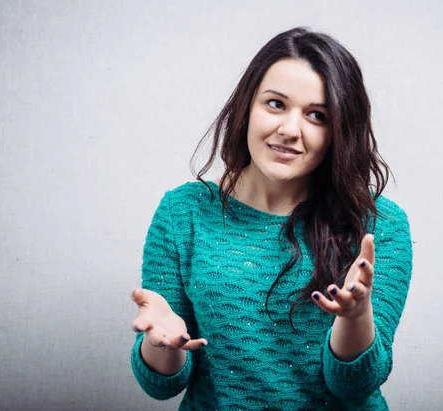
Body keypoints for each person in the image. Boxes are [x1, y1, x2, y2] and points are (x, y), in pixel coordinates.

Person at [130, 27, 413, 410]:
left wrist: (356, 316)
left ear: (338, 132)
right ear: (247, 105)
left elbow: (356, 385)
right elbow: (161, 386)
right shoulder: (184, 213)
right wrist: (159, 342)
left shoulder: (378, 225)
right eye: (276, 104)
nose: (290, 130)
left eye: (316, 115)